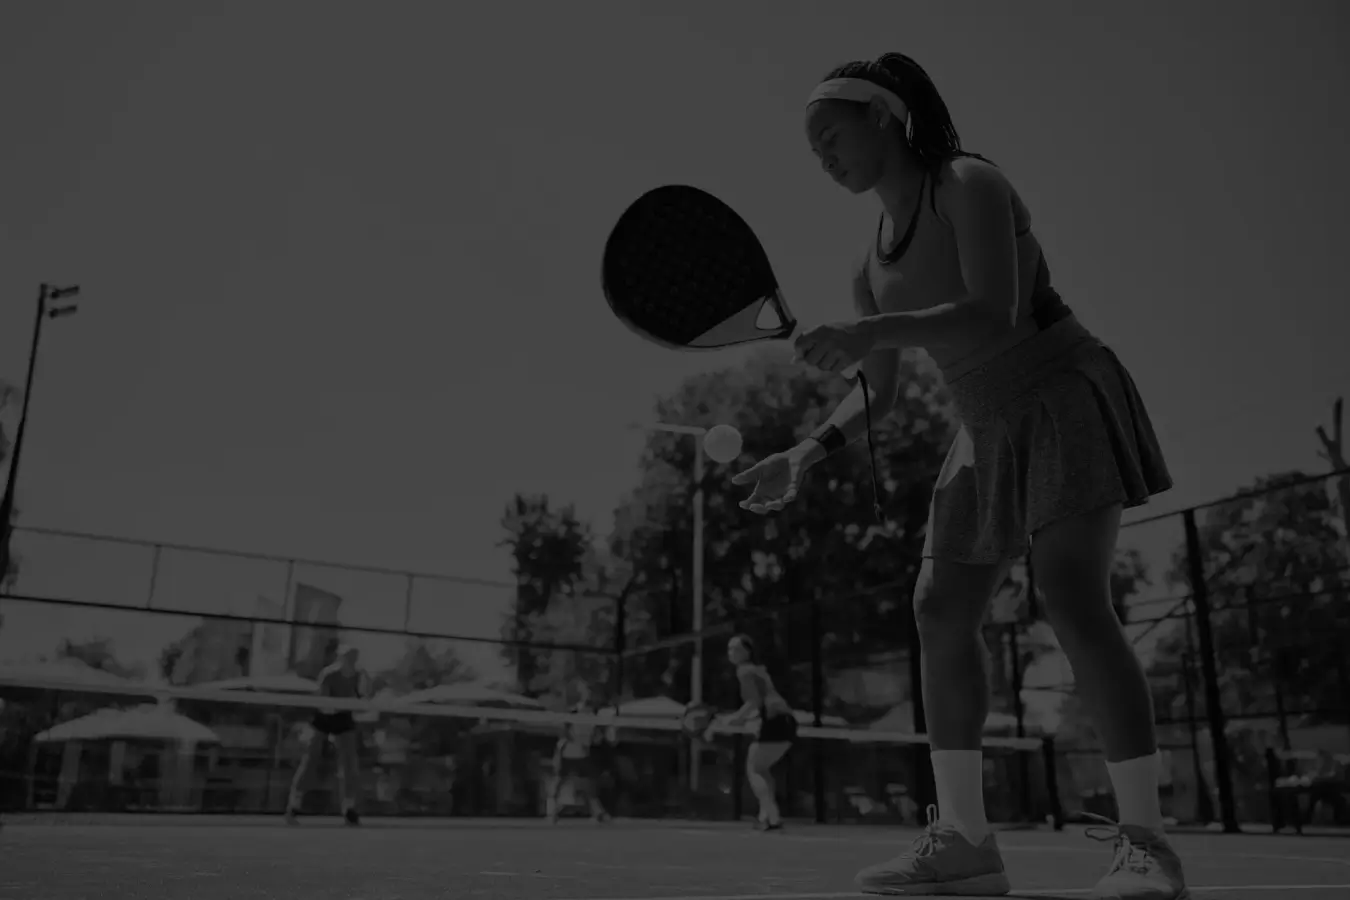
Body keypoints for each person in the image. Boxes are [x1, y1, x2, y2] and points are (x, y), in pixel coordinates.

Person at [732, 53, 1187, 899]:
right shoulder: (866, 269)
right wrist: (802, 452)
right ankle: (968, 843)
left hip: (1058, 389)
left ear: (884, 117)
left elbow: (993, 309)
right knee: (938, 608)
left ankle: (1147, 845)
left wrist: (873, 333)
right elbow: (883, 396)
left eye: (832, 136)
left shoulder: (969, 183)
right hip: (979, 423)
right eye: (813, 150)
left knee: (1072, 596)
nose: (824, 157)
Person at [707, 635, 797, 832]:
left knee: (754, 768)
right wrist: (737, 718)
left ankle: (773, 817)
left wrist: (733, 719)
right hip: (788, 722)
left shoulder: (745, 671)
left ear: (747, 652)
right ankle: (766, 816)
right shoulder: (758, 670)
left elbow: (753, 702)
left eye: (736, 649)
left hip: (775, 722)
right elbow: (760, 704)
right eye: (729, 649)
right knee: (762, 769)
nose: (731, 653)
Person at [286, 643, 368, 826]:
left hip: (344, 718)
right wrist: (342, 704)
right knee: (311, 759)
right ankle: (294, 805)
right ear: (342, 657)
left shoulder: (359, 676)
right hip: (324, 717)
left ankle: (349, 809)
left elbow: (362, 699)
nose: (352, 660)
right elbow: (323, 705)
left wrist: (357, 701)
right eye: (349, 656)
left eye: (355, 656)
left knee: (349, 764)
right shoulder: (328, 675)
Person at [547, 682, 612, 824]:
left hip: (583, 755)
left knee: (589, 786)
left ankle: (599, 814)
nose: (590, 697)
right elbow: (562, 731)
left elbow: (596, 738)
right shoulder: (572, 713)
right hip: (566, 753)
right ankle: (551, 813)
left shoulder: (595, 716)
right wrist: (573, 740)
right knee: (558, 782)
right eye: (588, 694)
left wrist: (598, 737)